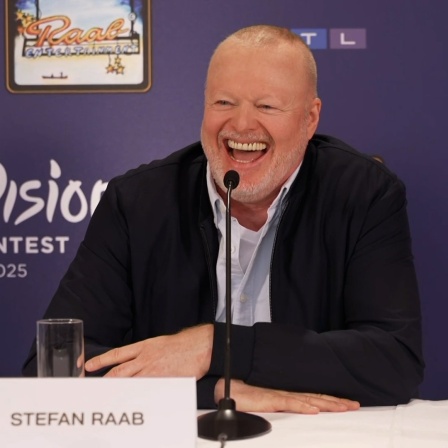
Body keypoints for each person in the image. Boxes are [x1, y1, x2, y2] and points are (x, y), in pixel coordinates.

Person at [23, 25, 424, 414]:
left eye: (267, 106)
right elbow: (54, 364)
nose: (242, 125)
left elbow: (394, 362)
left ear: (310, 118)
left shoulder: (364, 194)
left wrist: (216, 346)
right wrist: (212, 390)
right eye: (223, 103)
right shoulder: (136, 202)